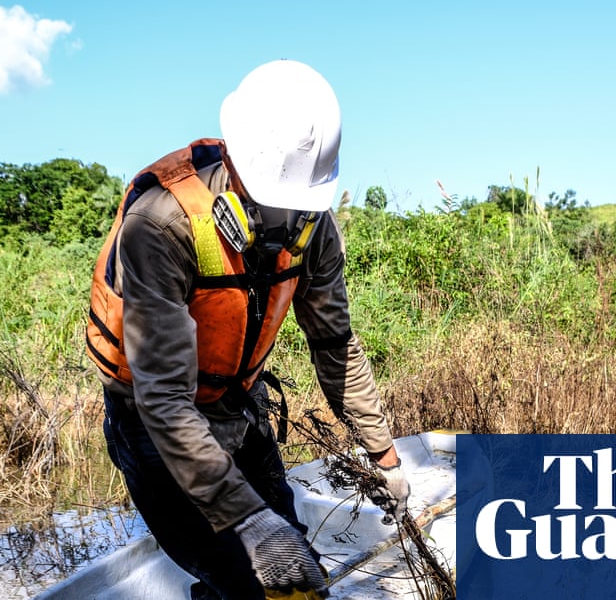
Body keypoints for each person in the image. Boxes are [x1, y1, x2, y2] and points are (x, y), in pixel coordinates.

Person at [86, 59, 410, 599]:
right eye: (269, 203)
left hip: (240, 404)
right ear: (235, 164)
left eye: (298, 205)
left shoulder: (314, 226)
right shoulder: (161, 223)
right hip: (155, 421)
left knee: (298, 571)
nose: (284, 218)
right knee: (247, 579)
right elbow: (163, 400)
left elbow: (334, 343)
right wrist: (248, 519)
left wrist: (383, 456)